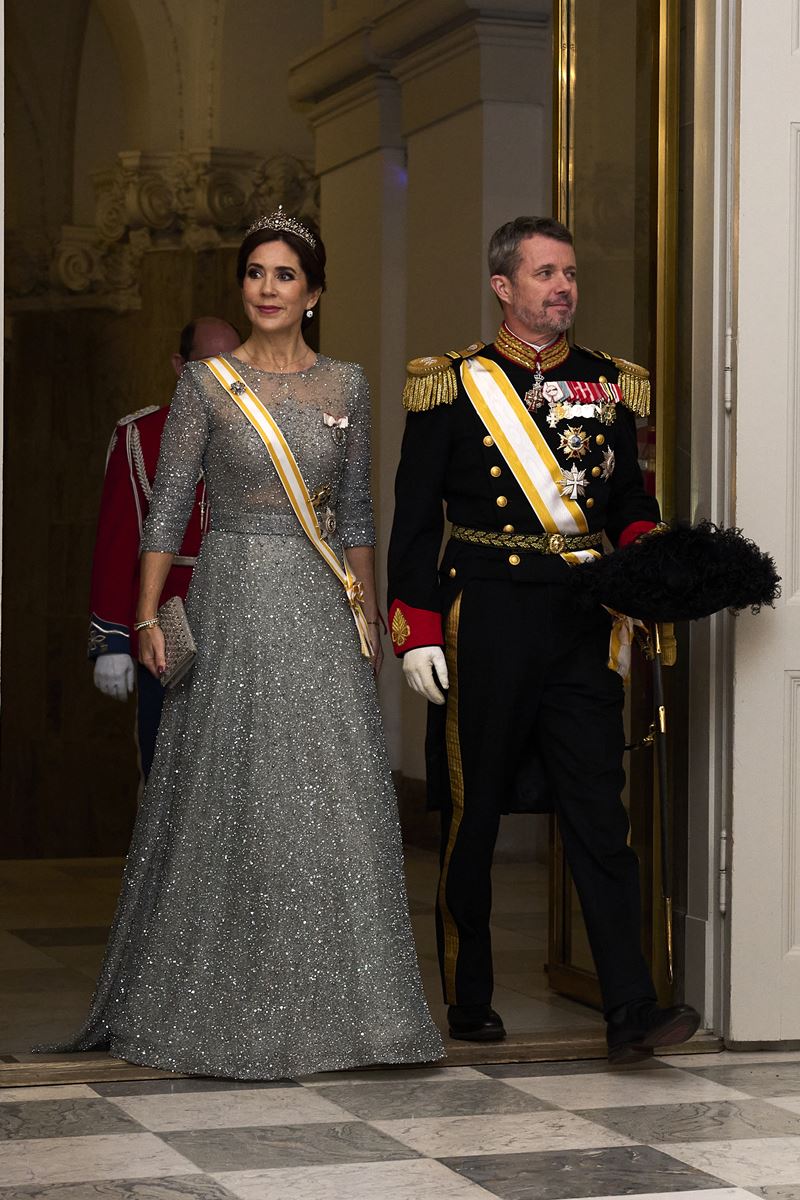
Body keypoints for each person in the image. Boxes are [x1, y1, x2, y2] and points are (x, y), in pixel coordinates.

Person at [48, 211, 443, 1078]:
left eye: (285, 276)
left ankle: (353, 1015)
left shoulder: (347, 384)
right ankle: (218, 997)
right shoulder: (207, 384)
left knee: (330, 795)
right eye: (256, 274)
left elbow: (356, 513)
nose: (267, 288)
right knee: (230, 792)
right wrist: (147, 614)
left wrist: (366, 611)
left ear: (315, 293)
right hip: (228, 591)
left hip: (317, 598)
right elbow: (167, 502)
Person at [387, 215, 701, 1065]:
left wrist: (644, 553)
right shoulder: (450, 385)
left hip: (580, 618)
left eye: (569, 273)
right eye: (545, 273)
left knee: (602, 815)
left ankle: (631, 1007)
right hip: (484, 613)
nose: (563, 286)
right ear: (504, 287)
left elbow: (627, 501)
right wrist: (414, 628)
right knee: (473, 813)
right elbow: (415, 523)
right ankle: (471, 993)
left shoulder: (607, 383)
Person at [89, 317, 239, 779]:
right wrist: (111, 638)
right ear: (181, 365)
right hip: (169, 625)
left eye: (235, 365)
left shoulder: (267, 436)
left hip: (245, 619)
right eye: (211, 364)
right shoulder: (143, 435)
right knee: (167, 767)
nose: (226, 377)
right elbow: (118, 541)